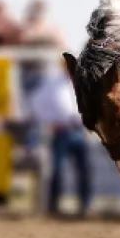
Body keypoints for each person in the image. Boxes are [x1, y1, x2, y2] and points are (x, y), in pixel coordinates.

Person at [27, 64, 91, 218]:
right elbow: (36, 103)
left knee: (83, 170)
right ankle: (53, 206)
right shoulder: (52, 81)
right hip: (61, 130)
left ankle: (84, 206)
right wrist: (50, 121)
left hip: (78, 129)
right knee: (57, 169)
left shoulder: (82, 82)